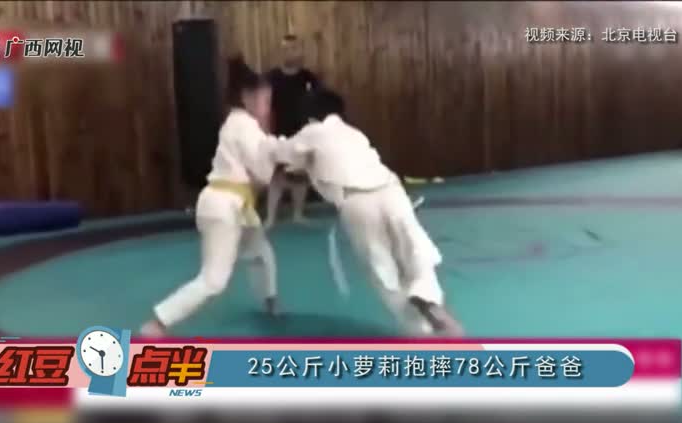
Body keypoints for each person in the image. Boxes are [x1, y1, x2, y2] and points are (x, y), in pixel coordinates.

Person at [274, 89, 465, 336]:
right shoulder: (354, 134)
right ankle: (427, 295)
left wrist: (272, 146)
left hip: (357, 201)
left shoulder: (313, 131)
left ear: (310, 116)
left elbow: (282, 154)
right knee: (414, 249)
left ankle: (421, 332)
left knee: (381, 267)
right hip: (391, 191)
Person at [140, 57, 285, 337]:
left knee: (261, 252)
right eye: (265, 101)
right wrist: (281, 154)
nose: (268, 108)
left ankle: (270, 300)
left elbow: (262, 161)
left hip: (232, 205)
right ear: (247, 98)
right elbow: (262, 172)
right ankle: (158, 323)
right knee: (214, 280)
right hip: (224, 206)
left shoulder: (240, 123)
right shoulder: (244, 125)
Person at [264, 34, 319, 228]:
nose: (290, 52)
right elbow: (263, 106)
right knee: (276, 176)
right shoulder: (271, 78)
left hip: (303, 133)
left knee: (300, 176)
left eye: (294, 48)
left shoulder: (309, 78)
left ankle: (298, 214)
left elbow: (317, 105)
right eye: (286, 49)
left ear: (300, 51)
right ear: (281, 52)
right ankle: (270, 218)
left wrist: (314, 129)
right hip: (277, 133)